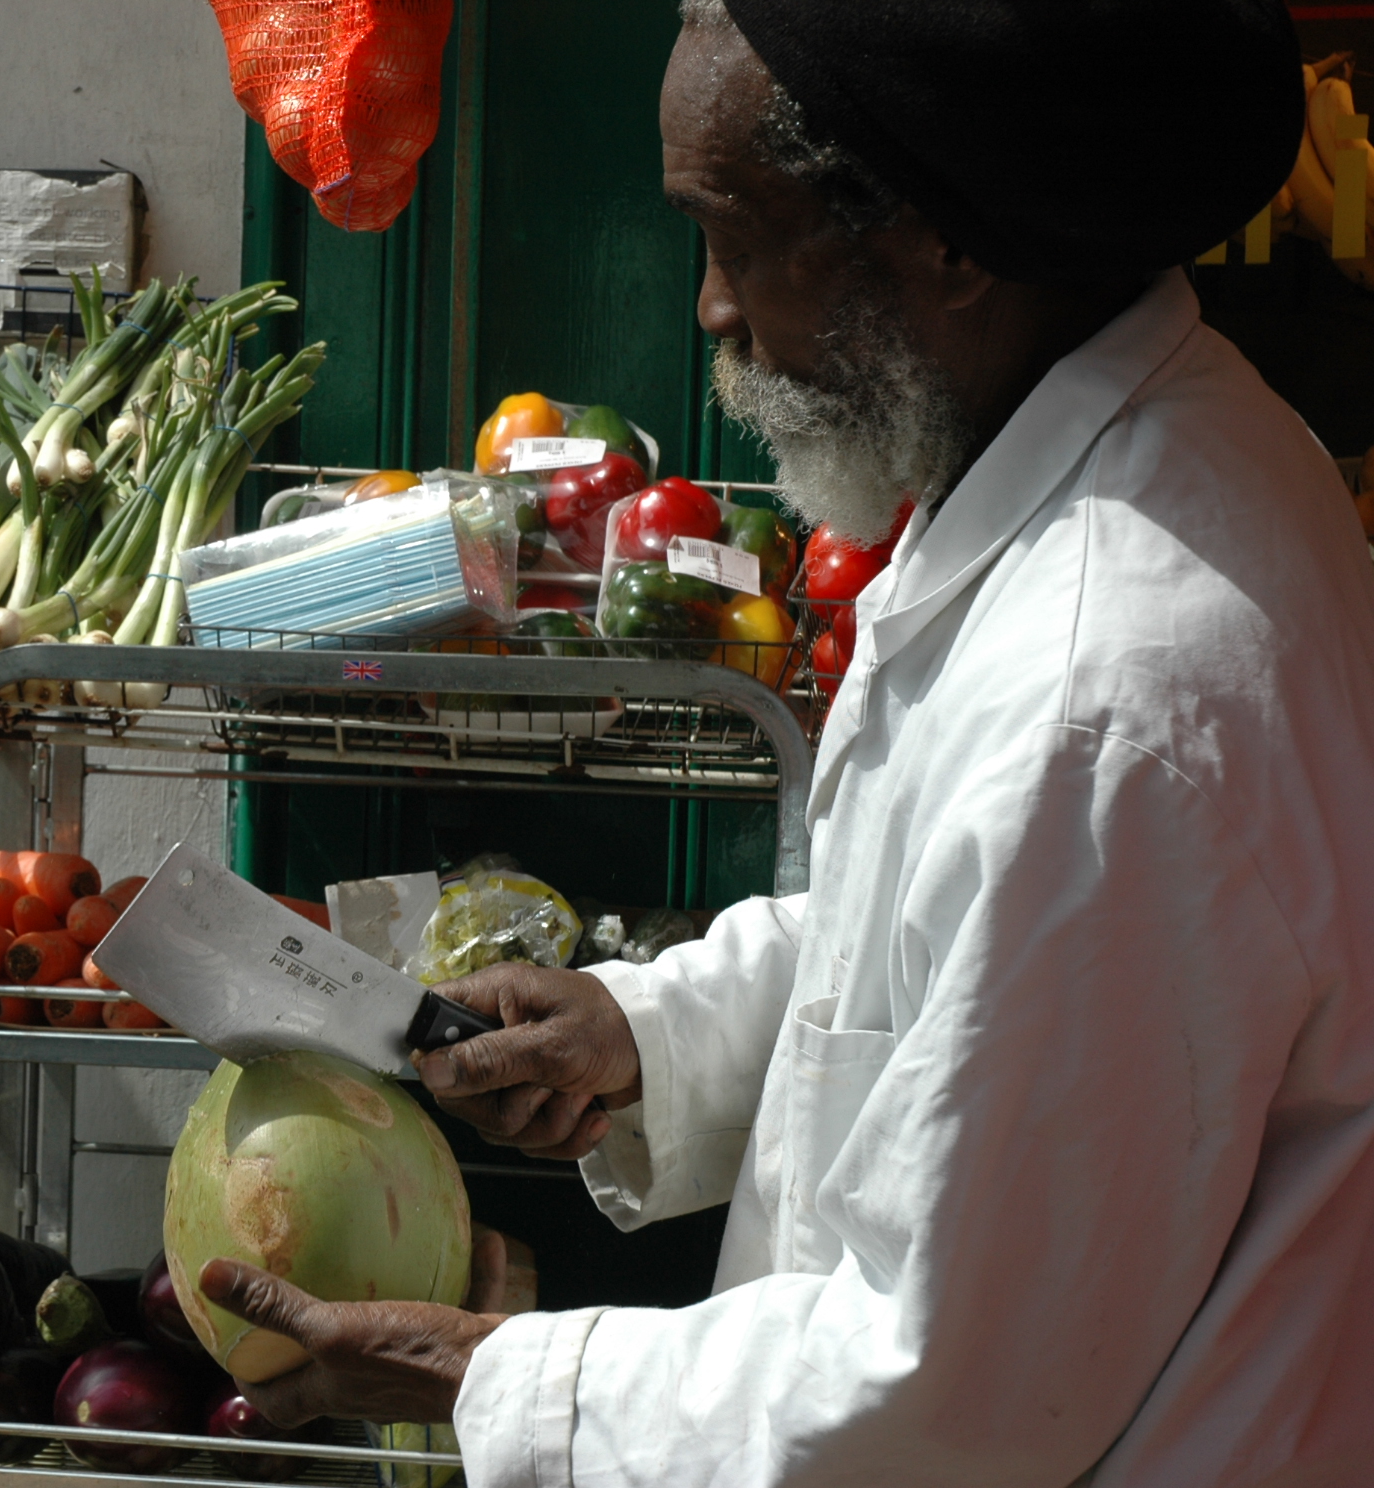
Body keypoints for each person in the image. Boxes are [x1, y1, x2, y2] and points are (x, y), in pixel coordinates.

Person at [195, 1, 1374, 1483]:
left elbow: (940, 1392)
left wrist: (491, 1376)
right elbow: (948, 951)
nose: (711, 312)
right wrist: (651, 1032)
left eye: (730, 238)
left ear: (944, 240)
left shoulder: (1109, 692)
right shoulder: (1116, 457)